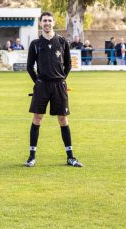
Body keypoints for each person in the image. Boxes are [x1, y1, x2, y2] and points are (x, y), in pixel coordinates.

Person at [25, 11, 83, 168]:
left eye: (49, 20)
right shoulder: (35, 44)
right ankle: (31, 156)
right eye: (44, 20)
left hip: (59, 86)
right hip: (42, 85)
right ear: (40, 23)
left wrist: (62, 79)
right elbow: (29, 66)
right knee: (37, 118)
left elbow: (68, 64)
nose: (47, 23)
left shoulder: (63, 42)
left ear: (53, 22)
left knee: (63, 119)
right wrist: (37, 81)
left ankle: (70, 157)